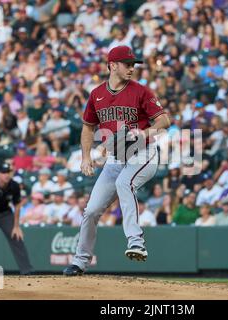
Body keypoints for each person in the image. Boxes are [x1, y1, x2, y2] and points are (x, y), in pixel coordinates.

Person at [63, 46, 170, 276]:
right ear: (112, 65)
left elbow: (164, 120)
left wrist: (146, 132)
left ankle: (136, 242)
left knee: (124, 183)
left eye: (133, 64)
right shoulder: (97, 94)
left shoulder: (141, 91)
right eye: (127, 63)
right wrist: (85, 157)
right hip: (116, 157)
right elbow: (88, 127)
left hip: (144, 153)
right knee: (91, 211)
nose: (132, 68)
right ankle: (80, 262)